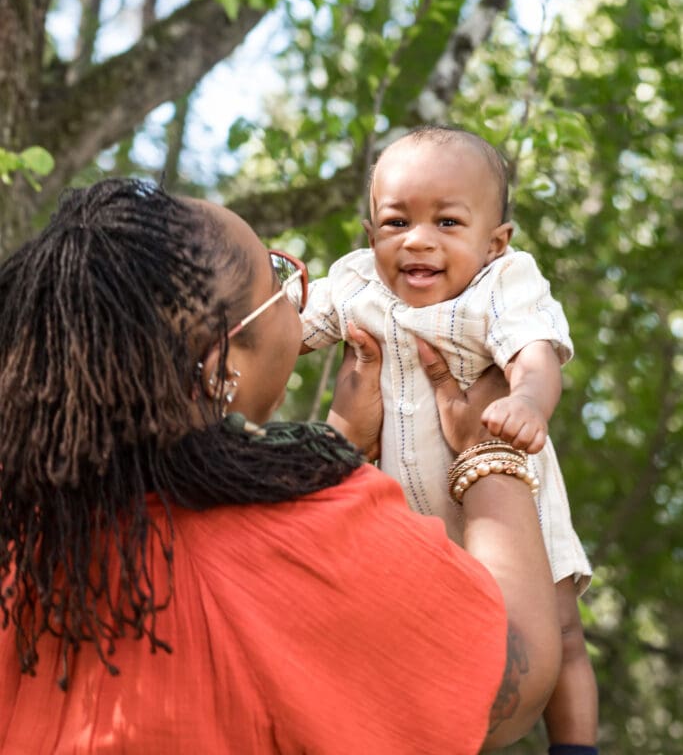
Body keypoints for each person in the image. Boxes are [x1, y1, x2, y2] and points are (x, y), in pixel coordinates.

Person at [0, 176, 560, 754]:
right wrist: (487, 451)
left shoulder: (29, 536)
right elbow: (512, 675)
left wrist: (337, 444)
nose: (299, 294)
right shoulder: (300, 536)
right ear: (220, 367)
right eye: (277, 281)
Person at [301, 125, 599, 755]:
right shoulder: (359, 283)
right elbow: (289, 324)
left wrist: (524, 401)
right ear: (369, 232)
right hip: (410, 520)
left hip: (511, 495)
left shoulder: (504, 284)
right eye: (394, 222)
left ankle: (576, 747)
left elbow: (534, 354)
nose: (417, 240)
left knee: (564, 635)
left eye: (446, 223)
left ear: (494, 243)